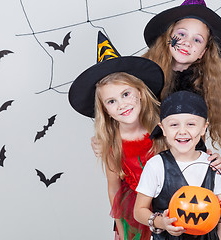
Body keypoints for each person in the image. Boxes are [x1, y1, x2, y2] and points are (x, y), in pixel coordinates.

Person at [69, 31, 164, 240]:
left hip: (169, 206)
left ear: (139, 91)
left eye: (126, 94)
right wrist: (121, 229)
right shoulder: (112, 145)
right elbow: (114, 189)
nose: (122, 105)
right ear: (104, 110)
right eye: (111, 101)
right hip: (134, 218)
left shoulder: (163, 129)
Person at [134, 91, 221, 239]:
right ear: (163, 128)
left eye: (191, 124)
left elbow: (218, 223)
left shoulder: (212, 165)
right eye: (174, 125)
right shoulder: (156, 165)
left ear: (204, 127)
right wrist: (162, 222)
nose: (182, 131)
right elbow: (139, 211)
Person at [142, 0, 221, 151]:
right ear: (168, 37)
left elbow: (197, 140)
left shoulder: (203, 86)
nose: (187, 43)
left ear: (203, 53)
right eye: (181, 34)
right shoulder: (143, 73)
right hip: (143, 156)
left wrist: (205, 158)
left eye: (197, 39)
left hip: (178, 162)